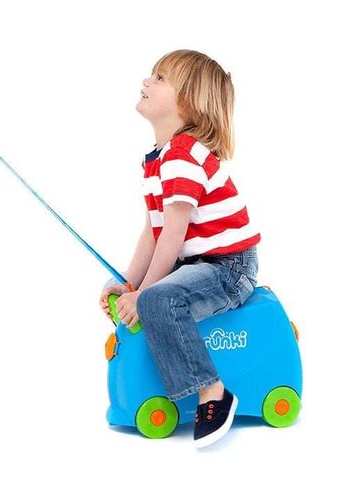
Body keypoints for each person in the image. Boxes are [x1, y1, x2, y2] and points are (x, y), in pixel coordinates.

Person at [99, 49, 260, 448]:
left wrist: (144, 293)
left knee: (157, 301)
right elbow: (153, 233)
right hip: (196, 263)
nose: (146, 81)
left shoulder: (185, 154)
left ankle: (212, 392)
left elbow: (173, 234)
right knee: (147, 297)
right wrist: (128, 283)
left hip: (228, 268)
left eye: (160, 78)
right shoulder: (158, 160)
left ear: (188, 102)